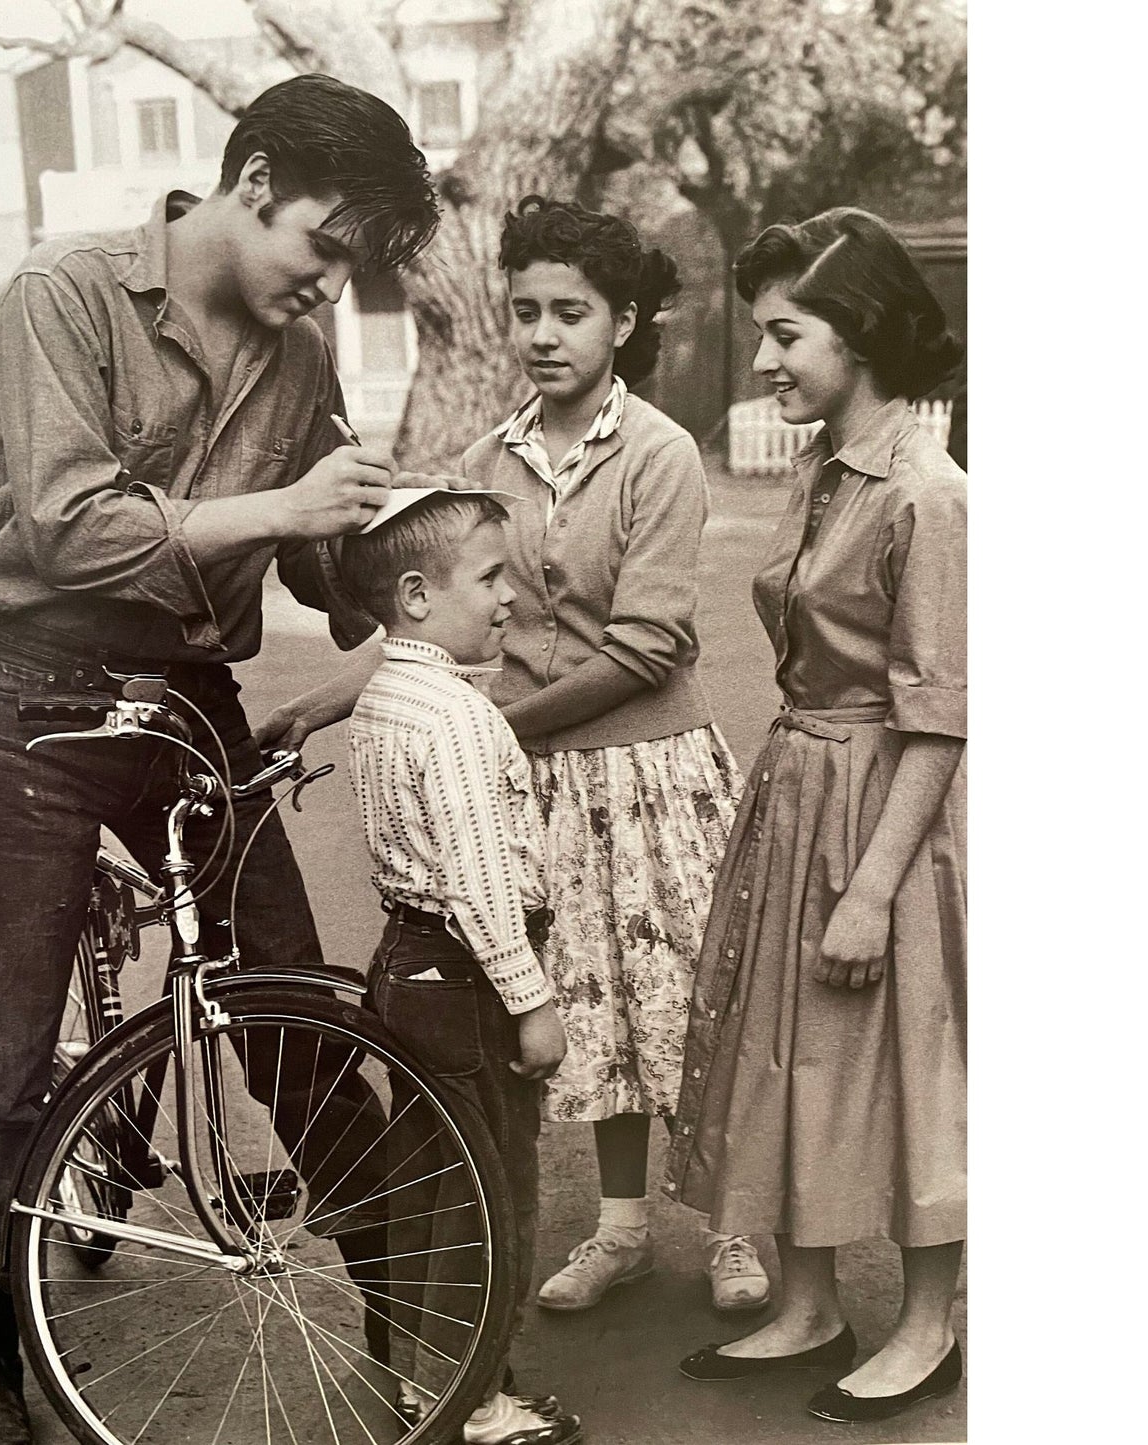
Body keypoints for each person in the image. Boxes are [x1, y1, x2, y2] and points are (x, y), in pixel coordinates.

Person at [0, 74, 440, 1445]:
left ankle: (417, 1328)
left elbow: (332, 580)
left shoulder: (300, 353)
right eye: (327, 244)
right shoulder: (67, 292)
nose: (331, 284)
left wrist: (400, 542)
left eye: (355, 266)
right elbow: (67, 527)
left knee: (286, 998)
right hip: (30, 693)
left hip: (189, 693)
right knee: (3, 1046)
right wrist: (276, 503)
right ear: (253, 180)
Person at [257, 195, 773, 1317]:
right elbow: (420, 632)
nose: (544, 334)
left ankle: (737, 1221)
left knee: (685, 1000)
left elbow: (646, 647)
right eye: (527, 310)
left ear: (621, 322)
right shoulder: (487, 458)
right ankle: (622, 1227)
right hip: (529, 778)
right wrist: (315, 705)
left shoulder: (659, 452)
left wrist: (490, 724)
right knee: (582, 1002)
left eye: (571, 312)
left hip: (647, 772)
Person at [667, 207, 966, 1425]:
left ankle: (928, 1321)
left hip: (886, 811)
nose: (763, 360)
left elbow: (941, 712)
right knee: (785, 1046)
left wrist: (868, 885)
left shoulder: (927, 496)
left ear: (858, 335)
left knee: (903, 1061)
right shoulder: (821, 470)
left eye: (785, 335)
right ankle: (806, 1303)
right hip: (796, 790)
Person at [341, 488, 582, 1445]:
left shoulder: (385, 696)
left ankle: (421, 1377)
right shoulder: (455, 718)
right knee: (489, 1189)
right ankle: (475, 1402)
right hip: (467, 970)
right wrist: (531, 1000)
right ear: (413, 594)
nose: (508, 598)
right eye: (489, 577)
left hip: (409, 960)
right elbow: (480, 878)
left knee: (430, 1180)